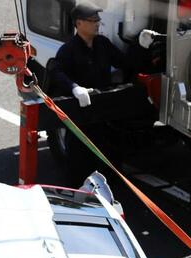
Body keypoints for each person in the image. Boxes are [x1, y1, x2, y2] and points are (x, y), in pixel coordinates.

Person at [50, 2, 131, 187]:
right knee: (79, 163)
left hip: (102, 114)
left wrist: (142, 49)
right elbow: (56, 71)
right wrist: (74, 88)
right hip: (81, 118)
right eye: (93, 20)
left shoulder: (102, 44)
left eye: (98, 20)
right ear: (79, 24)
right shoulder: (68, 50)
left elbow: (123, 62)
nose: (97, 23)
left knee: (108, 160)